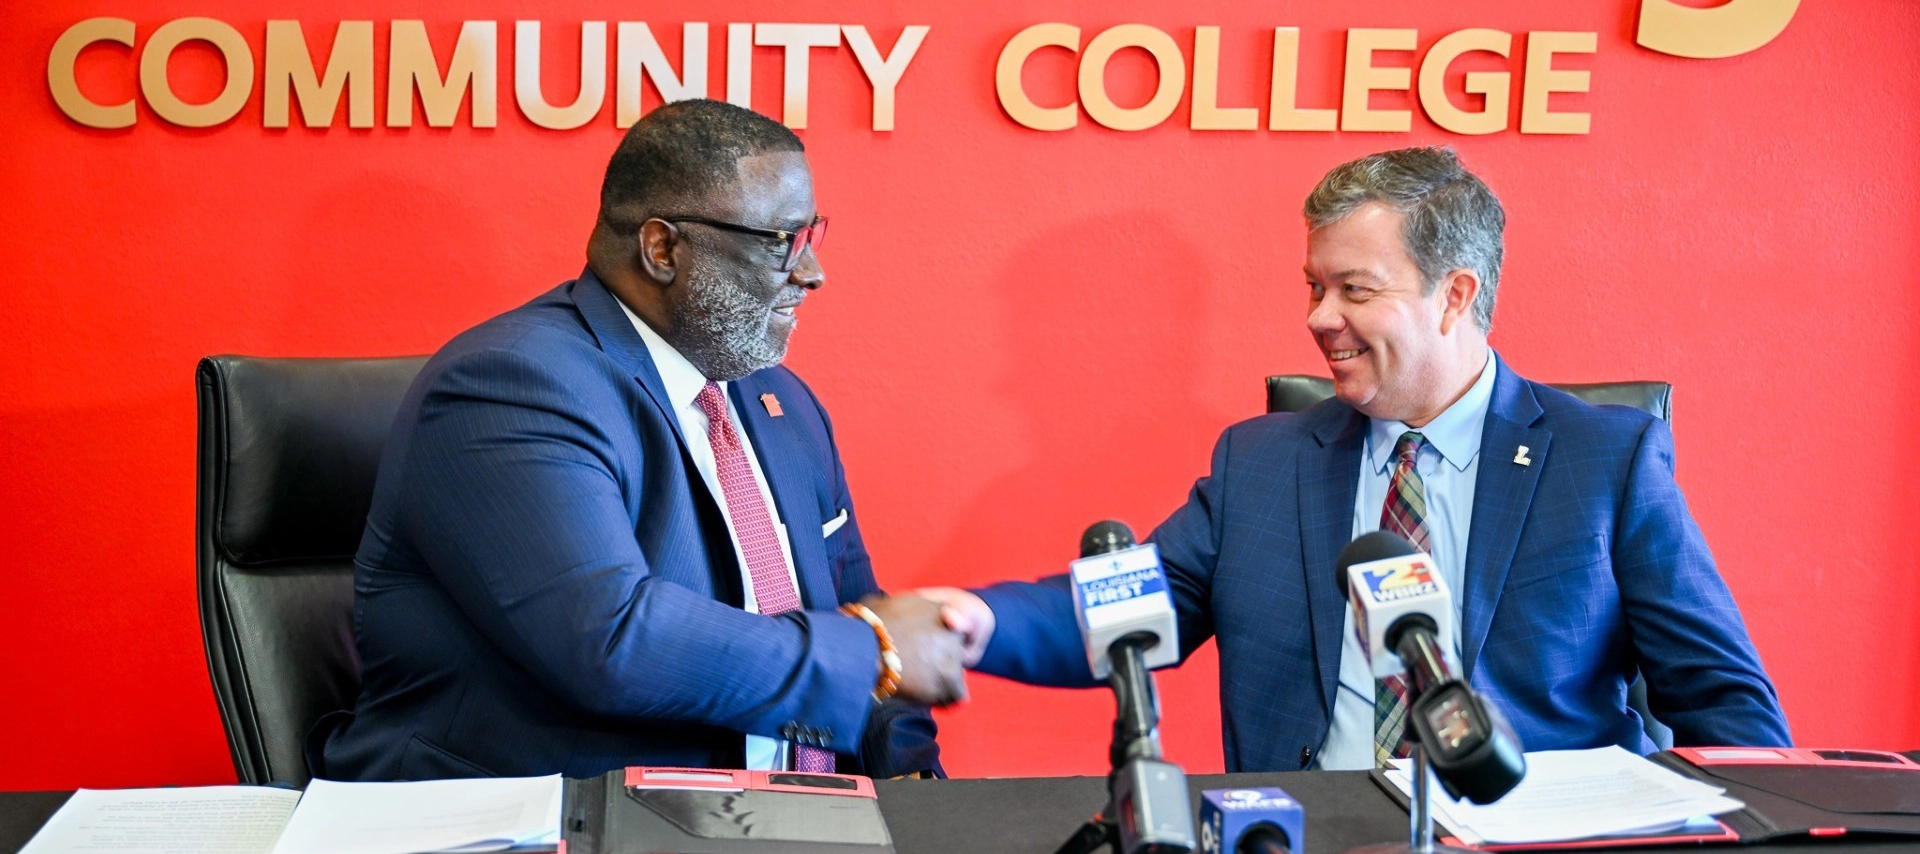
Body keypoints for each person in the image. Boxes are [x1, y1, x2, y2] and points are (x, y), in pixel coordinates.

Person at [922, 147, 1790, 771]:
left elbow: (1724, 700)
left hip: (1526, 834)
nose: (1318, 317)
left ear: (1455, 296)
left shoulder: (1606, 458)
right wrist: (978, 621)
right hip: (1316, 829)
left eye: (1355, 290)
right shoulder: (1261, 463)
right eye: (1314, 285)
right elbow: (1136, 607)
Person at [316, 99, 965, 782]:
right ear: (662, 249)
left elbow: (862, 613)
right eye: (780, 242)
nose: (811, 273)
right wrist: (870, 654)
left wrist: (913, 788)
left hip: (775, 814)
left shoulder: (781, 403)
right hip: (557, 816)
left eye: (812, 237)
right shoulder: (511, 385)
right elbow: (611, 640)